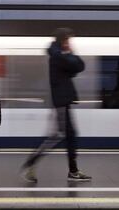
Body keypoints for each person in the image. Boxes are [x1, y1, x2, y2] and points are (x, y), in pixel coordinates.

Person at [20, 28, 92, 182]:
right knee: (57, 135)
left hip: (64, 101)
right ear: (62, 40)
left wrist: (70, 55)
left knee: (70, 135)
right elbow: (77, 66)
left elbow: (79, 66)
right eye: (67, 40)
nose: (69, 43)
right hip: (60, 101)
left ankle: (72, 171)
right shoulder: (57, 56)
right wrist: (71, 53)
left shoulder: (59, 55)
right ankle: (31, 162)